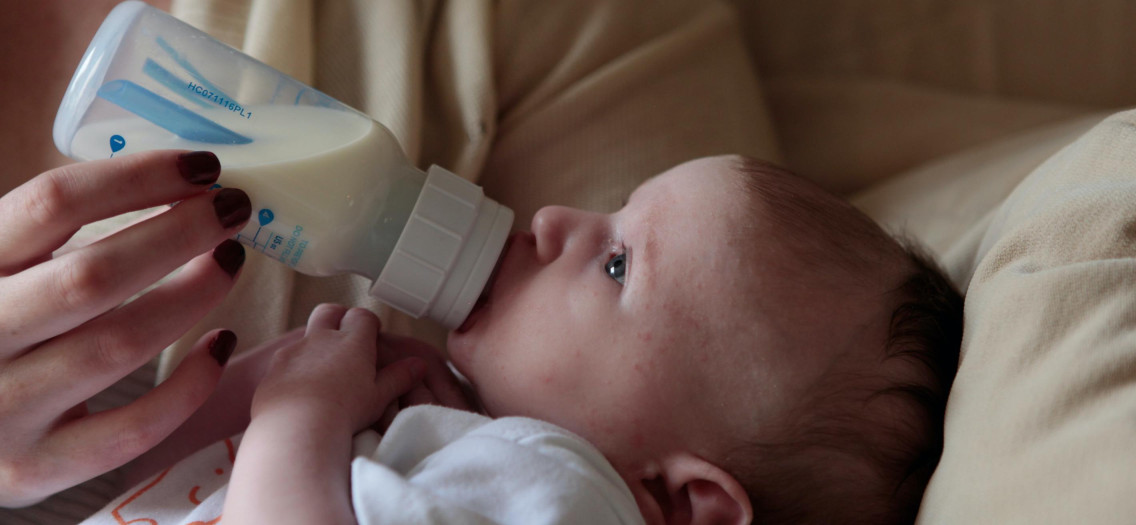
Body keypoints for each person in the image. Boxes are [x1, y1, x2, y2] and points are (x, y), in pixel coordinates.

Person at [77, 155, 964, 525]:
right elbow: (160, 488)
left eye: (618, 265)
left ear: (689, 507)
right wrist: (271, 390)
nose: (551, 219)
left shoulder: (562, 494)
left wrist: (298, 417)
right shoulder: (464, 441)